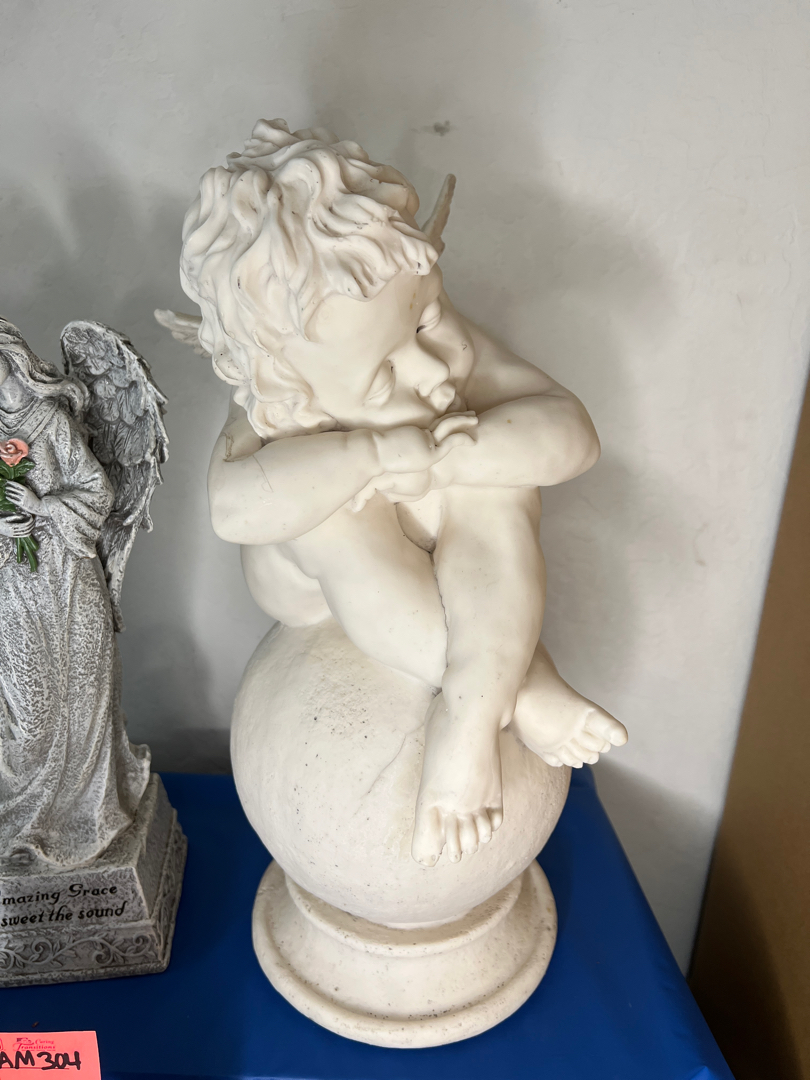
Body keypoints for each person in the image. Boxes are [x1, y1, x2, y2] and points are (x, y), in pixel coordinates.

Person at [180, 120, 627, 866]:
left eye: (427, 317)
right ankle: (522, 689)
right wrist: (369, 454)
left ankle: (470, 716)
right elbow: (233, 507)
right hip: (315, 585)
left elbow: (572, 434)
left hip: (447, 535)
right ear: (289, 386)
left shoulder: (447, 351)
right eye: (385, 375)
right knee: (331, 519)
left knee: (498, 474)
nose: (433, 368)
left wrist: (452, 458)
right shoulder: (278, 405)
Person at [0, 321, 150, 869]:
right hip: (14, 584)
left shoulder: (53, 421)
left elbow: (98, 493)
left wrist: (41, 507)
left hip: (67, 574)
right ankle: (22, 816)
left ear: (10, 359)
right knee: (31, 709)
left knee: (83, 693)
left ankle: (87, 815)